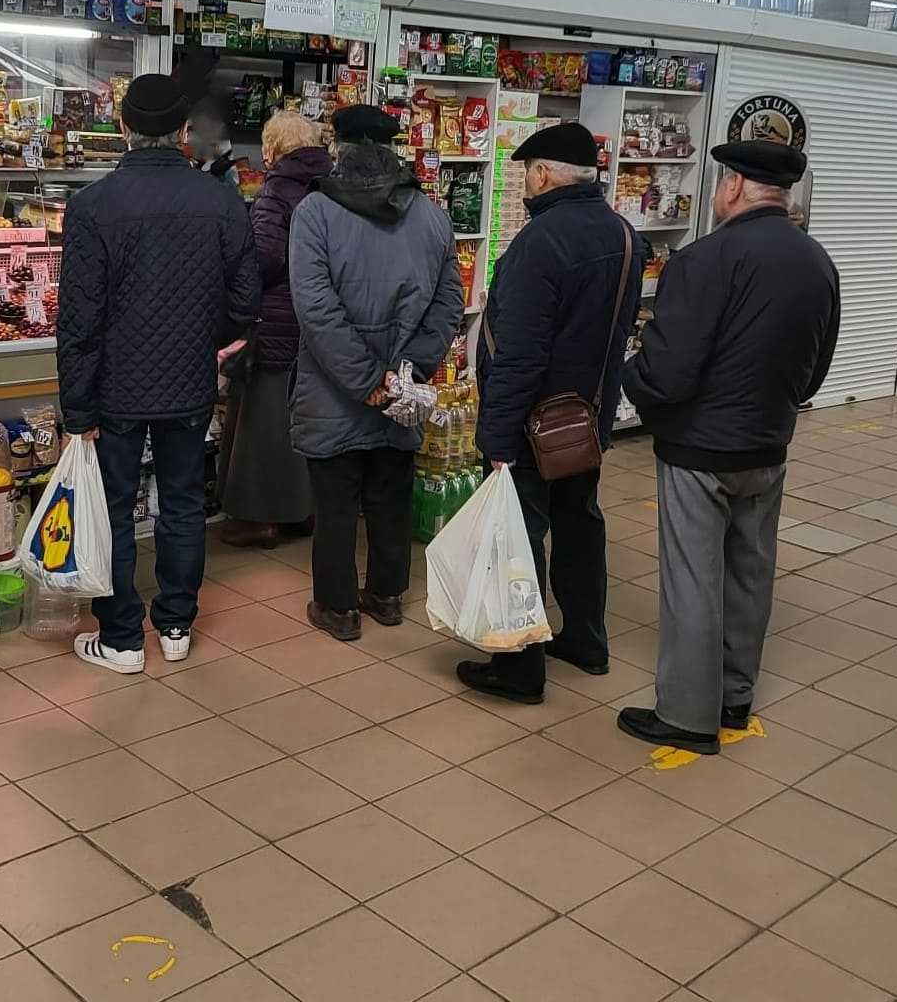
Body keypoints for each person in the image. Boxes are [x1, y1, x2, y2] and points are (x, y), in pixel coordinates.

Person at [617, 138, 840, 751]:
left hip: (700, 449)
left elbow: (669, 370)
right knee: (750, 574)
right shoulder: (817, 263)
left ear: (735, 185)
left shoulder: (706, 259)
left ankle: (687, 716)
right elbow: (815, 371)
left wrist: (628, 374)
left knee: (693, 579)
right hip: (769, 446)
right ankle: (735, 699)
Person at [57, 71, 260, 675]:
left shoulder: (92, 206)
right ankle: (175, 624)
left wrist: (78, 409)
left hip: (114, 389)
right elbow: (245, 296)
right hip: (189, 383)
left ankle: (121, 637)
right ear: (183, 132)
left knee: (114, 508)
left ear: (122, 128)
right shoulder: (221, 199)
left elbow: (79, 319)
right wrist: (207, 338)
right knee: (182, 503)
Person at [458, 121, 643, 705]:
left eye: (524, 177)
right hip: (584, 420)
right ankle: (587, 640)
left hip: (532, 423)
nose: (522, 188)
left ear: (541, 174)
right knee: (580, 525)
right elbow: (617, 336)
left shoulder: (540, 243)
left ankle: (519, 669)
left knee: (519, 537)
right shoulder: (626, 235)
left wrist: (496, 439)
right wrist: (603, 413)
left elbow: (519, 354)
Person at [288, 103, 464, 641]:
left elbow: (315, 309)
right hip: (402, 390)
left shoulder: (314, 212)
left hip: (334, 391)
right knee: (391, 496)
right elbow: (449, 301)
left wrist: (368, 382)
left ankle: (338, 609)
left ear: (338, 146)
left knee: (336, 504)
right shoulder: (432, 216)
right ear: (394, 149)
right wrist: (409, 371)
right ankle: (387, 596)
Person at [218, 109, 331, 548]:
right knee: (304, 421)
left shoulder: (276, 192)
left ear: (272, 149)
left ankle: (262, 518)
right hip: (317, 323)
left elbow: (264, 257)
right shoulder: (328, 186)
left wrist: (233, 276)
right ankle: (304, 512)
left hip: (277, 320)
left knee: (263, 422)